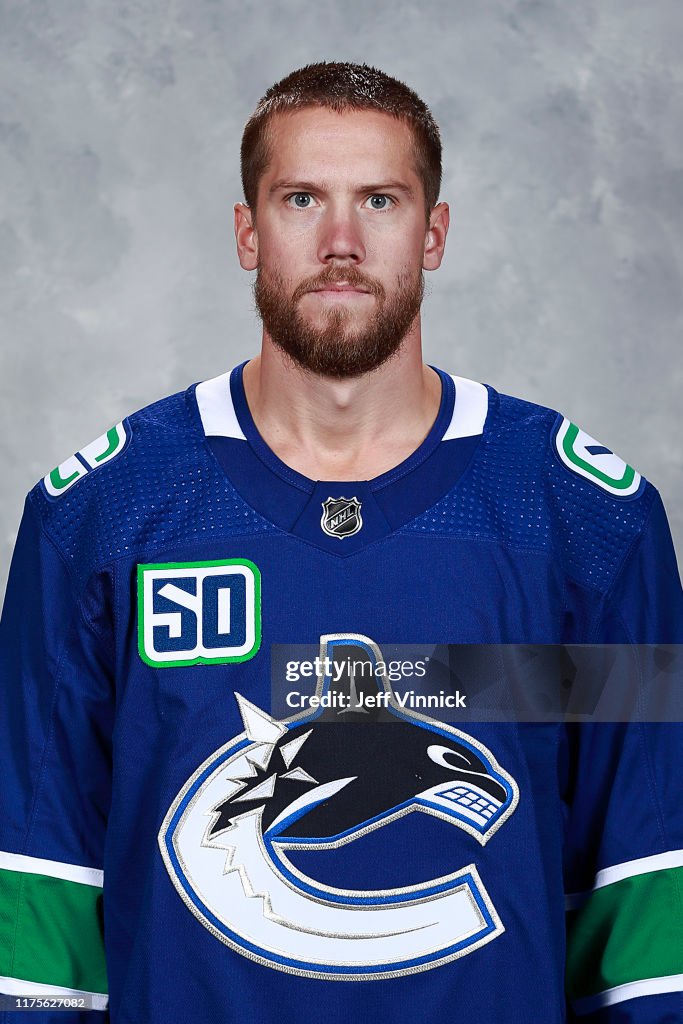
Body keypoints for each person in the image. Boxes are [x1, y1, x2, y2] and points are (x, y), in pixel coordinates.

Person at [0, 61, 681, 1024]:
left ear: (433, 231)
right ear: (247, 230)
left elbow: (646, 895)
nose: (340, 241)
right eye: (300, 198)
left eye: (380, 199)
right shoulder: (101, 519)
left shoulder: (584, 522)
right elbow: (39, 903)